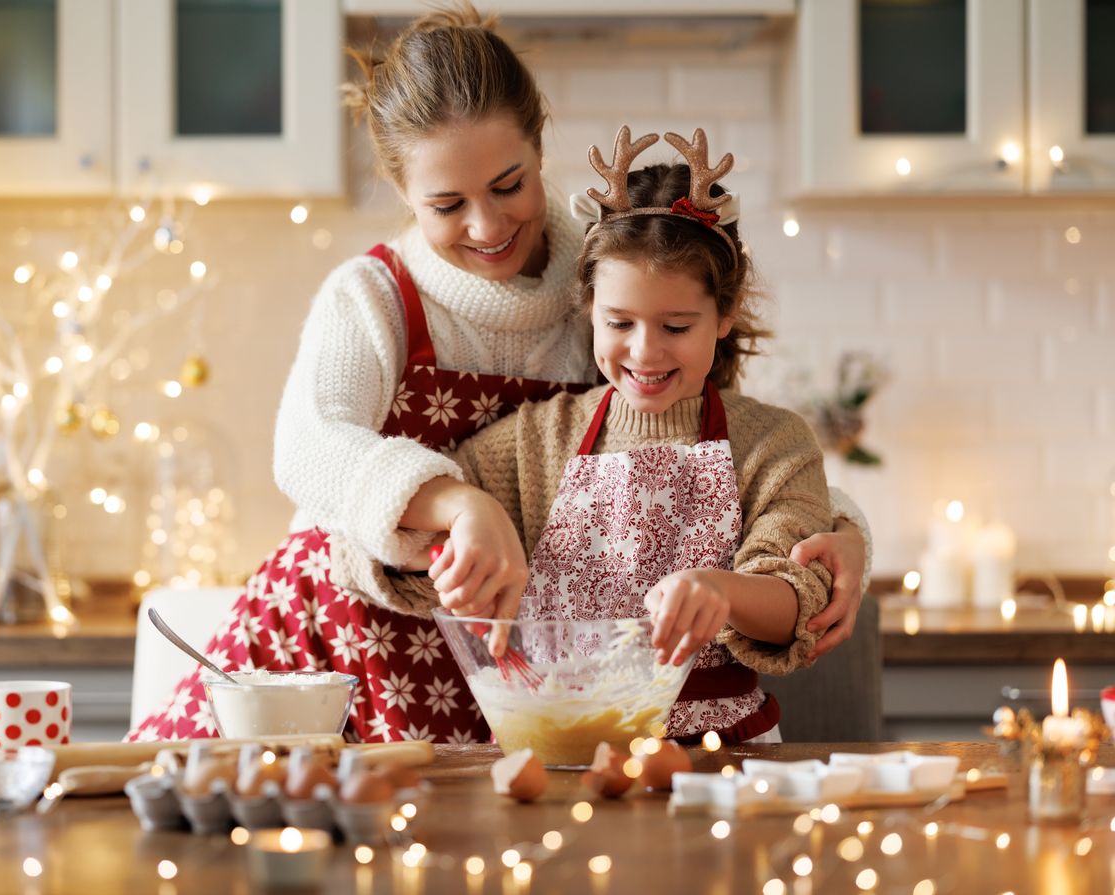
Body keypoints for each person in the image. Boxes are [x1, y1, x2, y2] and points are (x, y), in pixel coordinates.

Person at [128, 6, 869, 745]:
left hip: (516, 669)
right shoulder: (374, 295)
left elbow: (701, 443)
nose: (487, 227)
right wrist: (460, 505)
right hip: (357, 631)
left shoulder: (616, 274)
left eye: (508, 185)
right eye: (448, 204)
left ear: (540, 148)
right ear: (403, 192)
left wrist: (840, 534)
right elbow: (308, 447)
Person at [330, 128, 831, 742]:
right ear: (589, 307)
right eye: (619, 322)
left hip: (723, 758)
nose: (644, 351)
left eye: (676, 326)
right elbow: (366, 541)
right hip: (562, 749)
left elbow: (799, 599)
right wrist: (449, 553)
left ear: (724, 315)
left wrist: (722, 592)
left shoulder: (773, 444)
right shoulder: (535, 442)